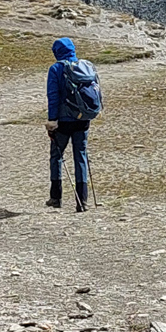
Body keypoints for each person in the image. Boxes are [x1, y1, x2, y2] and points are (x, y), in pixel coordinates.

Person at [46, 37, 96, 212]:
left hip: (63, 121)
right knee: (80, 156)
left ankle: (56, 197)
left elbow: (53, 97)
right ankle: (82, 201)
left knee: (56, 156)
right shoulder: (86, 66)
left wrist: (52, 121)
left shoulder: (56, 69)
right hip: (83, 119)